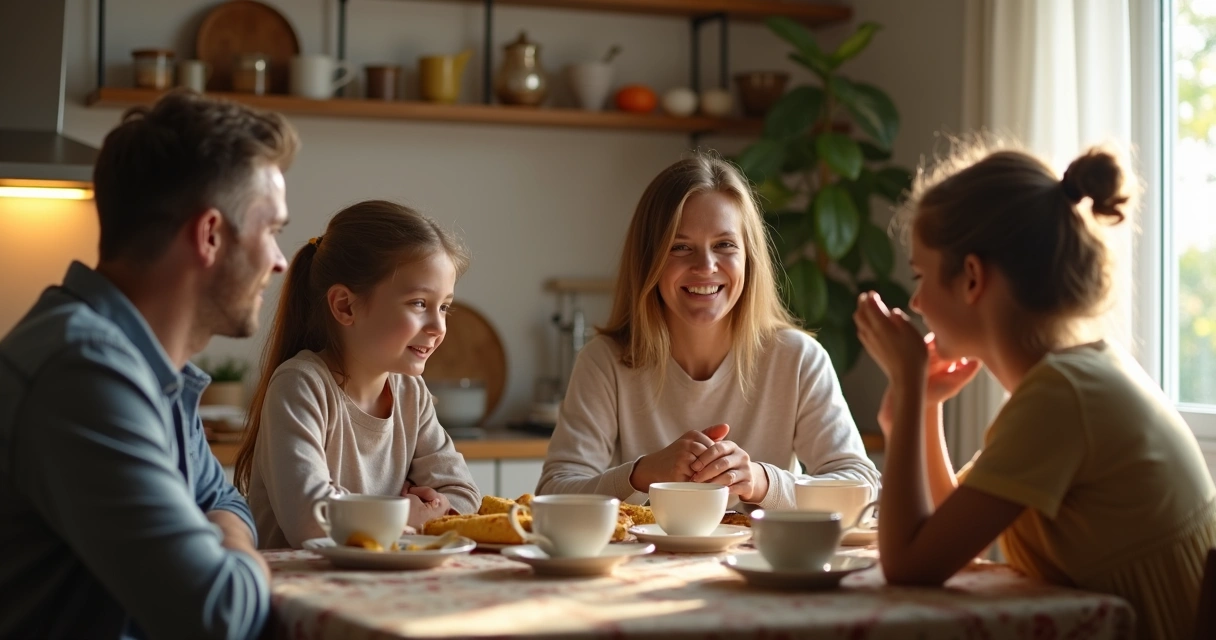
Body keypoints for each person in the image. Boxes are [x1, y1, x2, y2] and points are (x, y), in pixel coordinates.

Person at [854, 144, 1216, 639]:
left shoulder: (1062, 397)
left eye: (921, 276)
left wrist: (909, 379)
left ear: (973, 278)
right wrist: (920, 409)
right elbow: (950, 532)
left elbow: (911, 565)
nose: (915, 302)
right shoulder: (1076, 377)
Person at [0, 91, 297, 638]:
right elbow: (217, 612)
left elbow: (225, 499)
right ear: (210, 235)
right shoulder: (85, 371)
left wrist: (224, 539)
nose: (280, 262)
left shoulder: (147, 366)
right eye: (272, 231)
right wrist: (234, 551)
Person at [538, 154, 880, 509]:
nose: (705, 266)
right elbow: (553, 492)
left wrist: (762, 481)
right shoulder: (605, 361)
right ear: (648, 260)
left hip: (764, 563)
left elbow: (863, 484)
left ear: (750, 256)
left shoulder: (798, 359)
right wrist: (641, 473)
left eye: (724, 245)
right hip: (644, 565)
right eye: (680, 247)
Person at [234, 200, 481, 549]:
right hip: (299, 590)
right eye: (419, 304)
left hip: (383, 584)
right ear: (345, 306)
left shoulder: (411, 392)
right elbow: (312, 520)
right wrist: (405, 511)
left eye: (444, 307)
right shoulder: (300, 385)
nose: (438, 327)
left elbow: (465, 495)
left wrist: (422, 513)